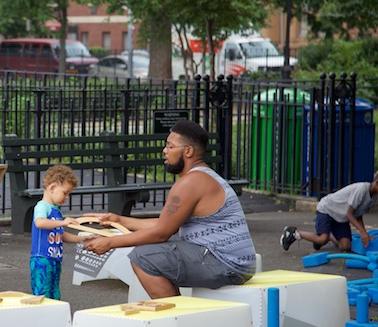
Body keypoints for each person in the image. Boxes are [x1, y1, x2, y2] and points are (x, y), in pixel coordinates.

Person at [82, 120, 257, 299]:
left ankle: (174, 317)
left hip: (225, 263)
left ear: (188, 151)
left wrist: (109, 243)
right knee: (155, 253)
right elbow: (166, 224)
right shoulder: (202, 176)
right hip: (232, 261)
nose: (164, 151)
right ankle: (178, 313)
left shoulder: (191, 182)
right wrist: (119, 220)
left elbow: (161, 233)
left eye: (170, 146)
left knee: (144, 257)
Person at [30, 165, 91, 299]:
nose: (67, 197)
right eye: (65, 192)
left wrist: (81, 238)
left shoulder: (55, 210)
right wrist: (63, 222)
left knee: (55, 293)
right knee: (42, 295)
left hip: (55, 259)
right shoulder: (42, 206)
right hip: (42, 258)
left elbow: (60, 234)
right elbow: (39, 222)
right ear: (52, 188)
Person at [281, 172, 378, 252]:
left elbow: (358, 214)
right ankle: (294, 232)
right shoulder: (361, 189)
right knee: (322, 239)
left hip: (341, 217)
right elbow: (349, 214)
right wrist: (363, 233)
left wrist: (364, 233)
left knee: (345, 246)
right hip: (328, 209)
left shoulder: (374, 197)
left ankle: (327, 235)